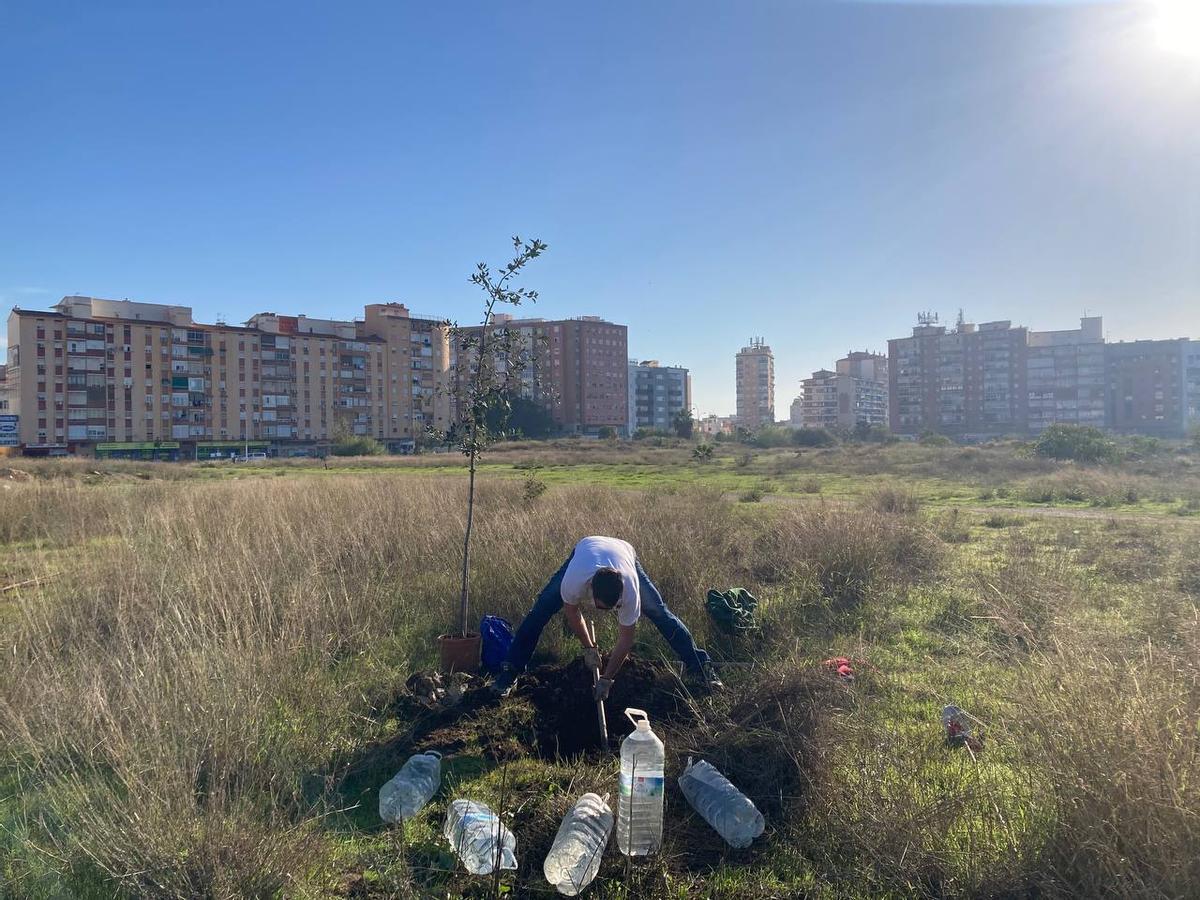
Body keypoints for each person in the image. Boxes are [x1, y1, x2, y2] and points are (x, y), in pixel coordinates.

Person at [492, 535, 723, 698]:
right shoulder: (574, 580)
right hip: (586, 548)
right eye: (601, 608)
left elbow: (625, 640)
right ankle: (509, 671)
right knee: (540, 611)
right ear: (590, 588)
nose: (604, 612)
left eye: (611, 608)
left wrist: (607, 679)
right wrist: (589, 648)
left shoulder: (630, 589)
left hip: (625, 553)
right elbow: (572, 612)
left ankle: (701, 667)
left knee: (660, 613)